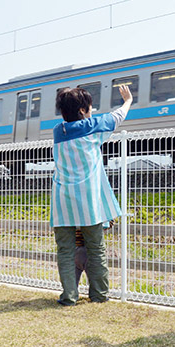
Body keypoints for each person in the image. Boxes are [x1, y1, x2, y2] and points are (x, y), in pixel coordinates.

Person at [51, 85, 133, 306]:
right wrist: (127, 100)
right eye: (89, 108)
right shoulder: (91, 127)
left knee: (65, 250)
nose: (92, 112)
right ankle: (99, 295)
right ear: (82, 111)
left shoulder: (59, 131)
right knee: (96, 247)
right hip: (89, 201)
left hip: (62, 201)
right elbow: (117, 117)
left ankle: (68, 296)